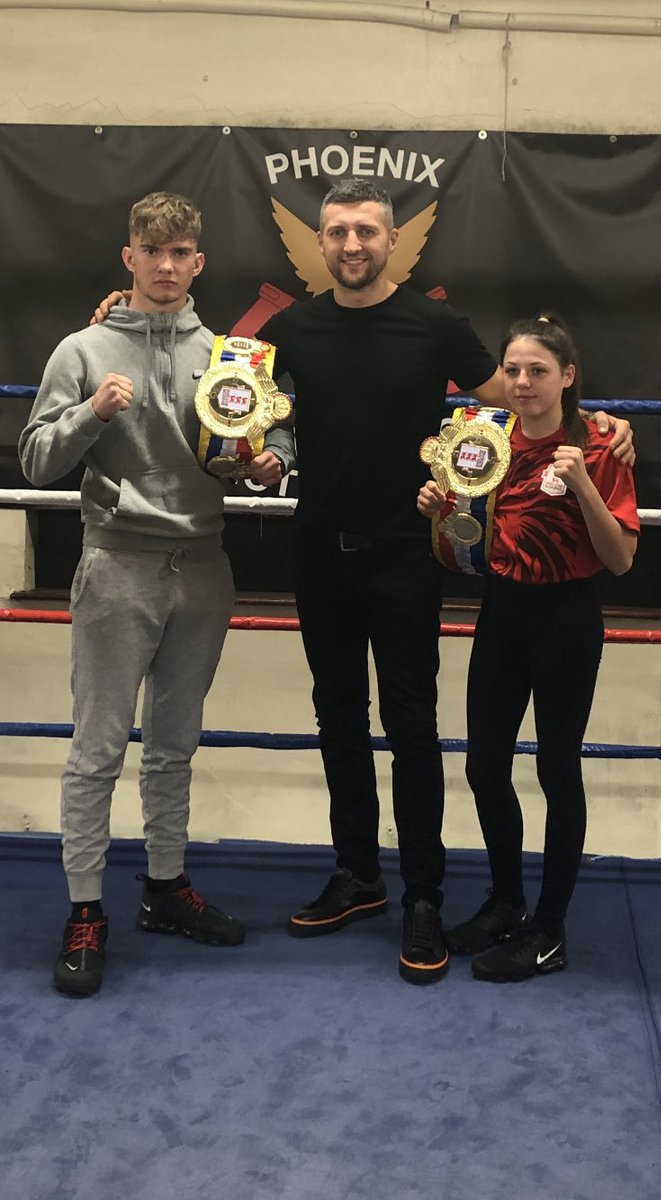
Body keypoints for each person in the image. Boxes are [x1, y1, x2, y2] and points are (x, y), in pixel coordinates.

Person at [92, 179, 633, 987]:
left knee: (410, 725)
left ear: (390, 240)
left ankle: (422, 893)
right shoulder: (292, 326)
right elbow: (221, 379)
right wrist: (122, 316)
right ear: (320, 241)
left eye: (366, 232)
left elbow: (517, 404)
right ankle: (358, 876)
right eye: (337, 232)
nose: (351, 245)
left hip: (407, 556)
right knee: (336, 717)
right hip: (319, 549)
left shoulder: (435, 323)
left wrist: (601, 427)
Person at [19, 191, 294, 997]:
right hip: (117, 562)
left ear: (198, 263)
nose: (167, 267)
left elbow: (268, 433)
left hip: (204, 562)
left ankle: (165, 887)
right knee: (97, 745)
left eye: (182, 254)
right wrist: (90, 416)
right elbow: (36, 460)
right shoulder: (82, 348)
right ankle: (83, 910)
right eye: (154, 251)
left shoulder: (232, 355)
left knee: (174, 742)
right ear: (129, 257)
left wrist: (272, 464)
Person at [418, 314, 639, 983]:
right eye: (512, 370)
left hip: (567, 617)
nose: (520, 382)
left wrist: (582, 487)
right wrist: (441, 516)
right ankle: (507, 902)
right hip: (503, 611)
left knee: (555, 769)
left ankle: (549, 930)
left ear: (567, 377)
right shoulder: (484, 442)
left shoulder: (600, 445)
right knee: (485, 767)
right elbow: (466, 553)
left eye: (537, 370)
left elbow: (622, 559)